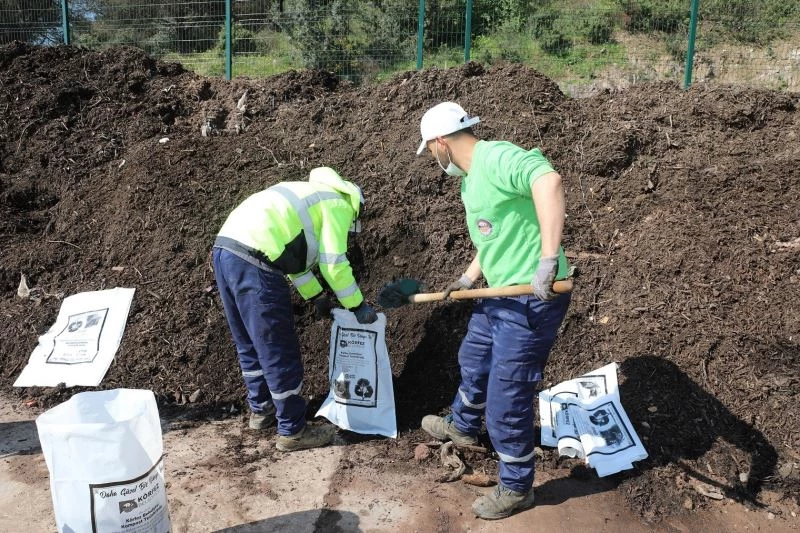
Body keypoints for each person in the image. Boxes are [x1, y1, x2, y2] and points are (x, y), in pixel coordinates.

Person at [416, 102, 572, 519]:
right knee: (473, 358)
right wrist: (468, 279)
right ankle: (463, 426)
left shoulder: (497, 158)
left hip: (531, 298)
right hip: (498, 294)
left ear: (440, 142)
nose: (433, 158)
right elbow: (493, 239)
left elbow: (549, 181)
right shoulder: (470, 181)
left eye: (431, 150)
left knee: (508, 395)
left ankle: (518, 487)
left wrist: (548, 259)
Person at [212, 166, 378, 452]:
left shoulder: (307, 195)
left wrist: (316, 297)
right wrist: (357, 305)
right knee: (277, 345)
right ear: (357, 206)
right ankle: (293, 431)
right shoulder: (340, 205)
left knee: (248, 340)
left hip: (225, 250)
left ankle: (262, 410)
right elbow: (334, 264)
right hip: (256, 259)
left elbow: (294, 261)